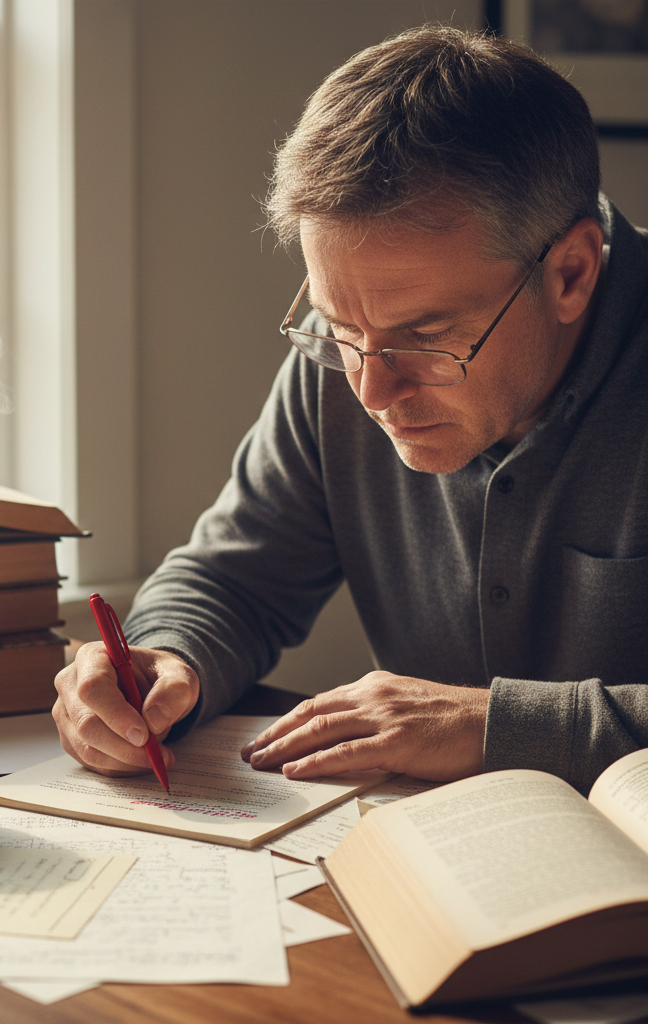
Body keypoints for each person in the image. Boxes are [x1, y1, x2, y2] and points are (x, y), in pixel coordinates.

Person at [52, 24, 648, 796]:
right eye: (337, 329)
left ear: (571, 273)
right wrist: (164, 657)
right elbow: (236, 578)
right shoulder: (362, 350)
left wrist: (494, 727)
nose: (371, 392)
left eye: (428, 338)